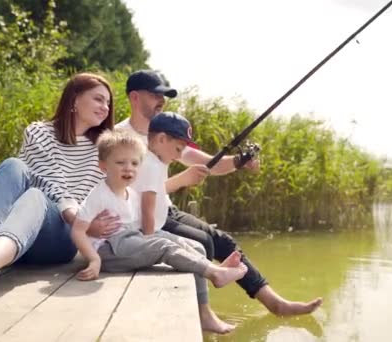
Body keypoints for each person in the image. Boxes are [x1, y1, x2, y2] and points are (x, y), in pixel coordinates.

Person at [116, 69, 323, 316]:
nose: (162, 101)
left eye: (165, 96)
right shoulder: (120, 137)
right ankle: (204, 308)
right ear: (135, 97)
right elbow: (128, 192)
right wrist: (182, 180)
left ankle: (275, 303)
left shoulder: (165, 134)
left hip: (167, 209)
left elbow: (206, 163)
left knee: (224, 241)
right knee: (203, 242)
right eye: (155, 95)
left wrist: (239, 161)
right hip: (143, 215)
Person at [0, 72, 122, 310]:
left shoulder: (104, 149)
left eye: (108, 103)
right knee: (12, 165)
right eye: (99, 99)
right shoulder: (39, 132)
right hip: (17, 232)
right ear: (75, 99)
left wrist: (85, 222)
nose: (106, 107)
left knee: (36, 196)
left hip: (62, 237)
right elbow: (51, 181)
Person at [70, 128, 247, 334]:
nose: (129, 168)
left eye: (135, 163)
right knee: (163, 245)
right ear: (103, 166)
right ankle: (214, 273)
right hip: (109, 251)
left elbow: (141, 227)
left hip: (129, 240)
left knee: (194, 246)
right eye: (120, 163)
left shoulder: (131, 193)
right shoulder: (99, 194)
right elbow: (77, 231)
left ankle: (206, 302)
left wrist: (155, 235)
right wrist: (94, 259)